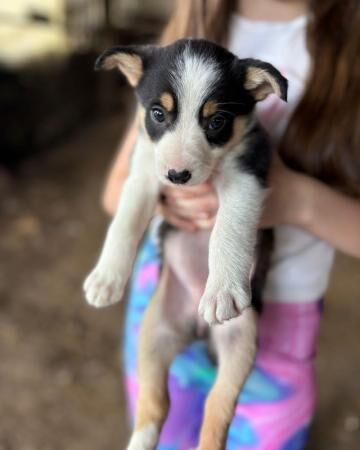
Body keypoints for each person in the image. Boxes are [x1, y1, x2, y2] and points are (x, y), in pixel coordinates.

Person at [102, 1, 360, 448]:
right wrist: (167, 205)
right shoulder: (194, 18)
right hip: (165, 276)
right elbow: (118, 190)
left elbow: (248, 187)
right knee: (155, 405)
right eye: (162, 115)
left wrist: (298, 201)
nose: (181, 158)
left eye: (216, 122)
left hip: (278, 307)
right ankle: (147, 426)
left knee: (242, 420)